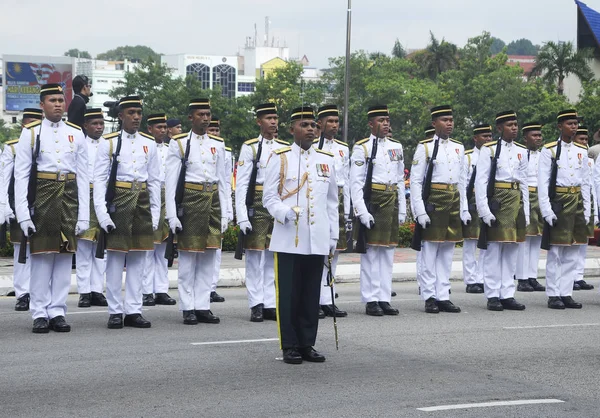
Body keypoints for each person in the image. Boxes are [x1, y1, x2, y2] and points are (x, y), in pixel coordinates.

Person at [263, 106, 338, 364]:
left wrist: (333, 236)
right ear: (291, 128)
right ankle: (290, 344)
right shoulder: (280, 157)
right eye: (304, 124)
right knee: (289, 294)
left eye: (313, 125)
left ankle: (307, 343)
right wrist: (284, 212)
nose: (310, 129)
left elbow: (331, 202)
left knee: (310, 294)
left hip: (316, 237)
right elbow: (269, 197)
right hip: (288, 237)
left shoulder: (326, 159)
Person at [15, 83, 90, 333]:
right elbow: (22, 176)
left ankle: (57, 310)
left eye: (60, 99)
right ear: (42, 105)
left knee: (64, 258)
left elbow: (83, 175)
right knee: (42, 259)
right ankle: (39, 312)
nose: (58, 104)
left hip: (69, 196)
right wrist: (23, 214)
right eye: (52, 100)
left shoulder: (76, 132)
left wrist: (84, 215)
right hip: (43, 197)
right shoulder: (31, 133)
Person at [94, 95, 161, 329]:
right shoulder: (109, 142)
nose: (136, 117)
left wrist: (155, 211)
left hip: (141, 200)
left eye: (139, 113)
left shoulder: (149, 143)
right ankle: (115, 310)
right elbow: (100, 181)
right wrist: (102, 214)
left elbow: (154, 181)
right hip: (119, 201)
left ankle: (133, 309)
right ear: (121, 116)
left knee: (138, 259)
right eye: (131, 113)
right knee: (114, 258)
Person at [165, 98, 229, 325]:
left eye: (207, 114)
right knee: (189, 257)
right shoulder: (179, 144)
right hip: (190, 200)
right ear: (191, 117)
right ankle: (187, 306)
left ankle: (203, 305)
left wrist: (226, 213)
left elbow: (223, 180)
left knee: (209, 257)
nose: (205, 118)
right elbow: (171, 183)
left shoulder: (218, 144)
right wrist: (171, 215)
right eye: (200, 114)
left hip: (212, 199)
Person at [236, 103, 289, 322]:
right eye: (269, 118)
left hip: (276, 200)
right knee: (255, 256)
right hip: (256, 202)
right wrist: (241, 215)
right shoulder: (250, 147)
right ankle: (256, 303)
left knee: (272, 255)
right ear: (259, 121)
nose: (274, 122)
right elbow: (241, 183)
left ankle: (269, 302)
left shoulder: (284, 147)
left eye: (275, 118)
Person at [351, 105, 406, 316]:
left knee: (388, 251)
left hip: (390, 199)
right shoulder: (362, 148)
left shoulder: (396, 146)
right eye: (381, 120)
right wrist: (362, 212)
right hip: (373, 200)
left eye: (387, 120)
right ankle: (371, 298)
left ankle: (384, 297)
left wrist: (401, 208)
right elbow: (355, 184)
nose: (385, 124)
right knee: (371, 253)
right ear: (371, 124)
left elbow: (400, 178)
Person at [411, 105, 465, 314]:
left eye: (451, 119)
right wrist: (420, 211)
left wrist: (464, 209)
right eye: (444, 120)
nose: (449, 123)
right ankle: (429, 296)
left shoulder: (458, 147)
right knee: (430, 253)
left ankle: (443, 295)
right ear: (434, 124)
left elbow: (462, 179)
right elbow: (416, 182)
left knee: (447, 252)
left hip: (453, 200)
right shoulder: (424, 147)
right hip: (434, 200)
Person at [475, 110, 528, 312]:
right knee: (494, 252)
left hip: (515, 201)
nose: (514, 128)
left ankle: (507, 293)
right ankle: (493, 295)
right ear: (499, 128)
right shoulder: (488, 150)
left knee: (511, 250)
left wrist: (526, 208)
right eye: (509, 125)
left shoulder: (521, 150)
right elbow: (481, 182)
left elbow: (523, 181)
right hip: (497, 199)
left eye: (515, 124)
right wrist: (484, 211)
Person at [541, 109, 589, 309]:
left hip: (576, 199)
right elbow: (542, 182)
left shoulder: (582, 150)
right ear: (560, 126)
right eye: (570, 124)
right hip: (559, 200)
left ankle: (566, 292)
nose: (574, 127)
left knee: (574, 250)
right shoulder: (549, 150)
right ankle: (553, 293)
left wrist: (586, 208)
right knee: (557, 251)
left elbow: (585, 182)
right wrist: (546, 210)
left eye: (576, 123)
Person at [0, 108, 43, 311]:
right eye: (31, 124)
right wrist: (5, 206)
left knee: (41, 251)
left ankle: (38, 292)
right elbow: (4, 180)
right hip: (19, 204)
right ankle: (23, 293)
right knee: (21, 250)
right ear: (24, 126)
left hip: (43, 205)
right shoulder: (13, 148)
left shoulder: (47, 147)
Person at [313, 105, 349, 318]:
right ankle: (315, 299)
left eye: (337, 121)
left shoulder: (343, 148)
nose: (334, 125)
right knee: (318, 253)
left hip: (338, 200)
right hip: (320, 199)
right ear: (320, 123)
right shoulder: (313, 146)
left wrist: (351, 209)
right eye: (330, 121)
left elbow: (348, 180)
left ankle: (327, 299)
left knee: (333, 254)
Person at [141, 113, 177, 307]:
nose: (162, 130)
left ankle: (161, 290)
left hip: (167, 196)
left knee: (163, 248)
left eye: (164, 127)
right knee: (148, 248)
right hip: (149, 196)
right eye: (158, 127)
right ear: (150, 129)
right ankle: (146, 290)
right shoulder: (144, 146)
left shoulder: (171, 148)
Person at [75, 108, 108, 308]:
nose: (98, 127)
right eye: (94, 124)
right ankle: (84, 292)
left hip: (103, 197)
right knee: (84, 247)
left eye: (101, 124)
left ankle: (97, 290)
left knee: (101, 248)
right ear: (85, 126)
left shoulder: (109, 144)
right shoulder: (79, 144)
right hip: (84, 196)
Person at [515, 122, 546, 293]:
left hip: (540, 197)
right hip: (525, 196)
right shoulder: (520, 154)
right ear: (525, 138)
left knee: (537, 239)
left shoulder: (543, 155)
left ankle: (532, 276)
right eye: (534, 135)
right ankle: (522, 277)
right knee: (525, 240)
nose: (538, 138)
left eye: (539, 135)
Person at [462, 124, 492, 294]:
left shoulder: (493, 156)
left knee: (485, 242)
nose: (488, 139)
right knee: (470, 243)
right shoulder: (467, 157)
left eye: (490, 136)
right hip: (472, 200)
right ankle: (471, 279)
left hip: (488, 200)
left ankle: (481, 277)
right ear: (475, 138)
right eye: (484, 136)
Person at [207, 117, 232, 303]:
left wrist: (228, 211)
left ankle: (211, 286)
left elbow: (226, 181)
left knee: (216, 249)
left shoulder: (225, 151)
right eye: (211, 129)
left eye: (216, 130)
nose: (214, 133)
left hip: (217, 202)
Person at [572, 125, 595, 291]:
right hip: (573, 201)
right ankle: (571, 276)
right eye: (581, 139)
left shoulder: (590, 160)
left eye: (586, 140)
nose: (585, 143)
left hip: (588, 202)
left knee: (583, 241)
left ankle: (578, 276)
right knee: (571, 242)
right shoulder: (573, 157)